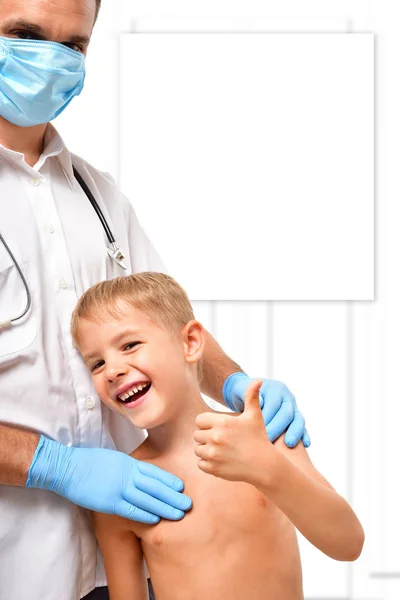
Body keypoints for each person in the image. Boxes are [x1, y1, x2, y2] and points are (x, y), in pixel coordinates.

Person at [0, 1, 309, 599]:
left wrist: (240, 386)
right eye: (25, 35)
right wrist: (52, 465)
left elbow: (171, 326)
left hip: (132, 553)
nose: (51, 62)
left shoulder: (96, 193)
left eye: (73, 47)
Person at [70, 272, 364, 600]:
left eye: (130, 345)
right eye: (96, 364)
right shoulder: (123, 492)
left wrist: (268, 468)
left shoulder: (263, 436)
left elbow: (348, 544)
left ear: (191, 342)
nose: (112, 370)